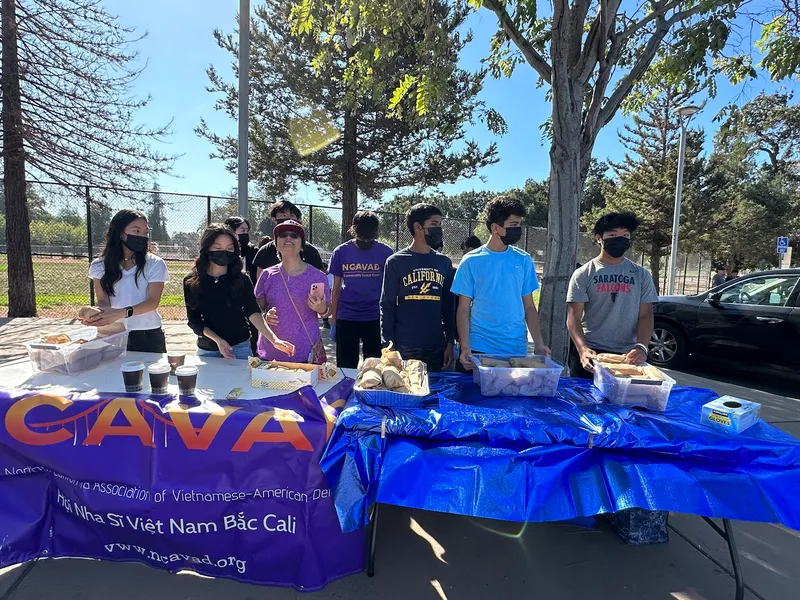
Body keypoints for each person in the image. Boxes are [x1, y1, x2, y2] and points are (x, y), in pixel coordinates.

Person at [453, 196, 550, 371]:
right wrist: (465, 346)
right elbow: (463, 309)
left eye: (519, 224)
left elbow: (529, 307)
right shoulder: (471, 261)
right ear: (495, 228)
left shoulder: (524, 260)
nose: (518, 229)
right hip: (479, 349)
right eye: (513, 225)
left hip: (515, 349)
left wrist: (539, 343)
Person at [566, 212, 658, 378]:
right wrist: (583, 349)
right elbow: (573, 318)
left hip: (628, 356)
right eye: (613, 235)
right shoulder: (583, 274)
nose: (620, 239)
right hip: (592, 353)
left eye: (625, 235)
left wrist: (641, 347)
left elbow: (645, 315)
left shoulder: (641, 274)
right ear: (599, 238)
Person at [183, 225, 294, 360]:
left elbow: (253, 312)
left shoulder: (241, 279)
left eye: (229, 248)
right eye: (218, 248)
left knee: (241, 381)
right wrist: (218, 340)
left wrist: (274, 340)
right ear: (206, 249)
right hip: (207, 350)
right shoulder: (191, 281)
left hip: (240, 348)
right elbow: (194, 321)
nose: (224, 252)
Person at [380, 203, 455, 372]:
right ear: (417, 227)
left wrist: (450, 341)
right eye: (434, 224)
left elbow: (449, 306)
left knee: (435, 395)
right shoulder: (395, 262)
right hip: (404, 345)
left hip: (436, 345)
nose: (439, 229)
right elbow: (387, 305)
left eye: (440, 225)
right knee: (406, 392)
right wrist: (388, 344)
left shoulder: (444, 262)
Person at [81, 209, 169, 353]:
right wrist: (94, 315)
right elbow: (103, 301)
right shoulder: (98, 265)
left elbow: (153, 302)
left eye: (145, 232)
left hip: (147, 333)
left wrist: (122, 313)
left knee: (148, 376)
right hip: (112, 332)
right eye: (136, 231)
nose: (142, 236)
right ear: (120, 233)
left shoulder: (155, 263)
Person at [254, 220, 331, 363]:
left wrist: (322, 309)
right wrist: (265, 315)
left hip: (305, 352)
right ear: (276, 244)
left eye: (294, 235)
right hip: (271, 353)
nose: (288, 238)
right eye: (283, 235)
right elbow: (256, 309)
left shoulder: (318, 276)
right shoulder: (267, 274)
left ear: (302, 245)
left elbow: (328, 310)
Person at [329, 210, 393, 368]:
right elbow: (335, 288)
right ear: (354, 229)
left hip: (375, 317)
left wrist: (390, 320)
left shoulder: (386, 252)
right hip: (347, 316)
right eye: (362, 231)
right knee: (345, 367)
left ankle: (370, 394)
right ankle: (346, 393)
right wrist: (334, 319)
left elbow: (391, 289)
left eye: (370, 232)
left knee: (374, 368)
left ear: (376, 232)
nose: (366, 237)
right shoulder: (341, 252)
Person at [252, 200, 324, 281]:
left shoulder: (311, 251)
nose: (287, 221)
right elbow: (260, 285)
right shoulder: (265, 251)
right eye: (283, 216)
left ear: (298, 220)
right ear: (274, 220)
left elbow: (320, 281)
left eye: (291, 216)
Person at [224, 216, 259, 284]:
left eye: (247, 230)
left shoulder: (253, 250)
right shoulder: (224, 251)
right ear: (231, 231)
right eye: (242, 230)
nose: (245, 234)